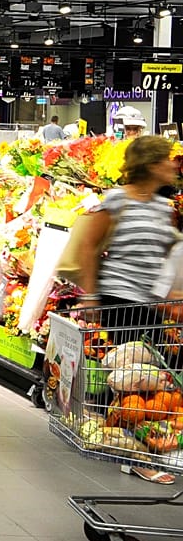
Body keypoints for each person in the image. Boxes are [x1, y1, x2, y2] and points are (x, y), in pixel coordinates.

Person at [73, 134, 180, 483]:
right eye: (167, 159)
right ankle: (134, 457)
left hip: (151, 303)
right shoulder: (116, 200)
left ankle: (132, 437)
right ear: (151, 164)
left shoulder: (164, 208)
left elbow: (166, 257)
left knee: (158, 381)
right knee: (134, 385)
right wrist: (90, 297)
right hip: (119, 298)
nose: (174, 164)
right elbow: (88, 248)